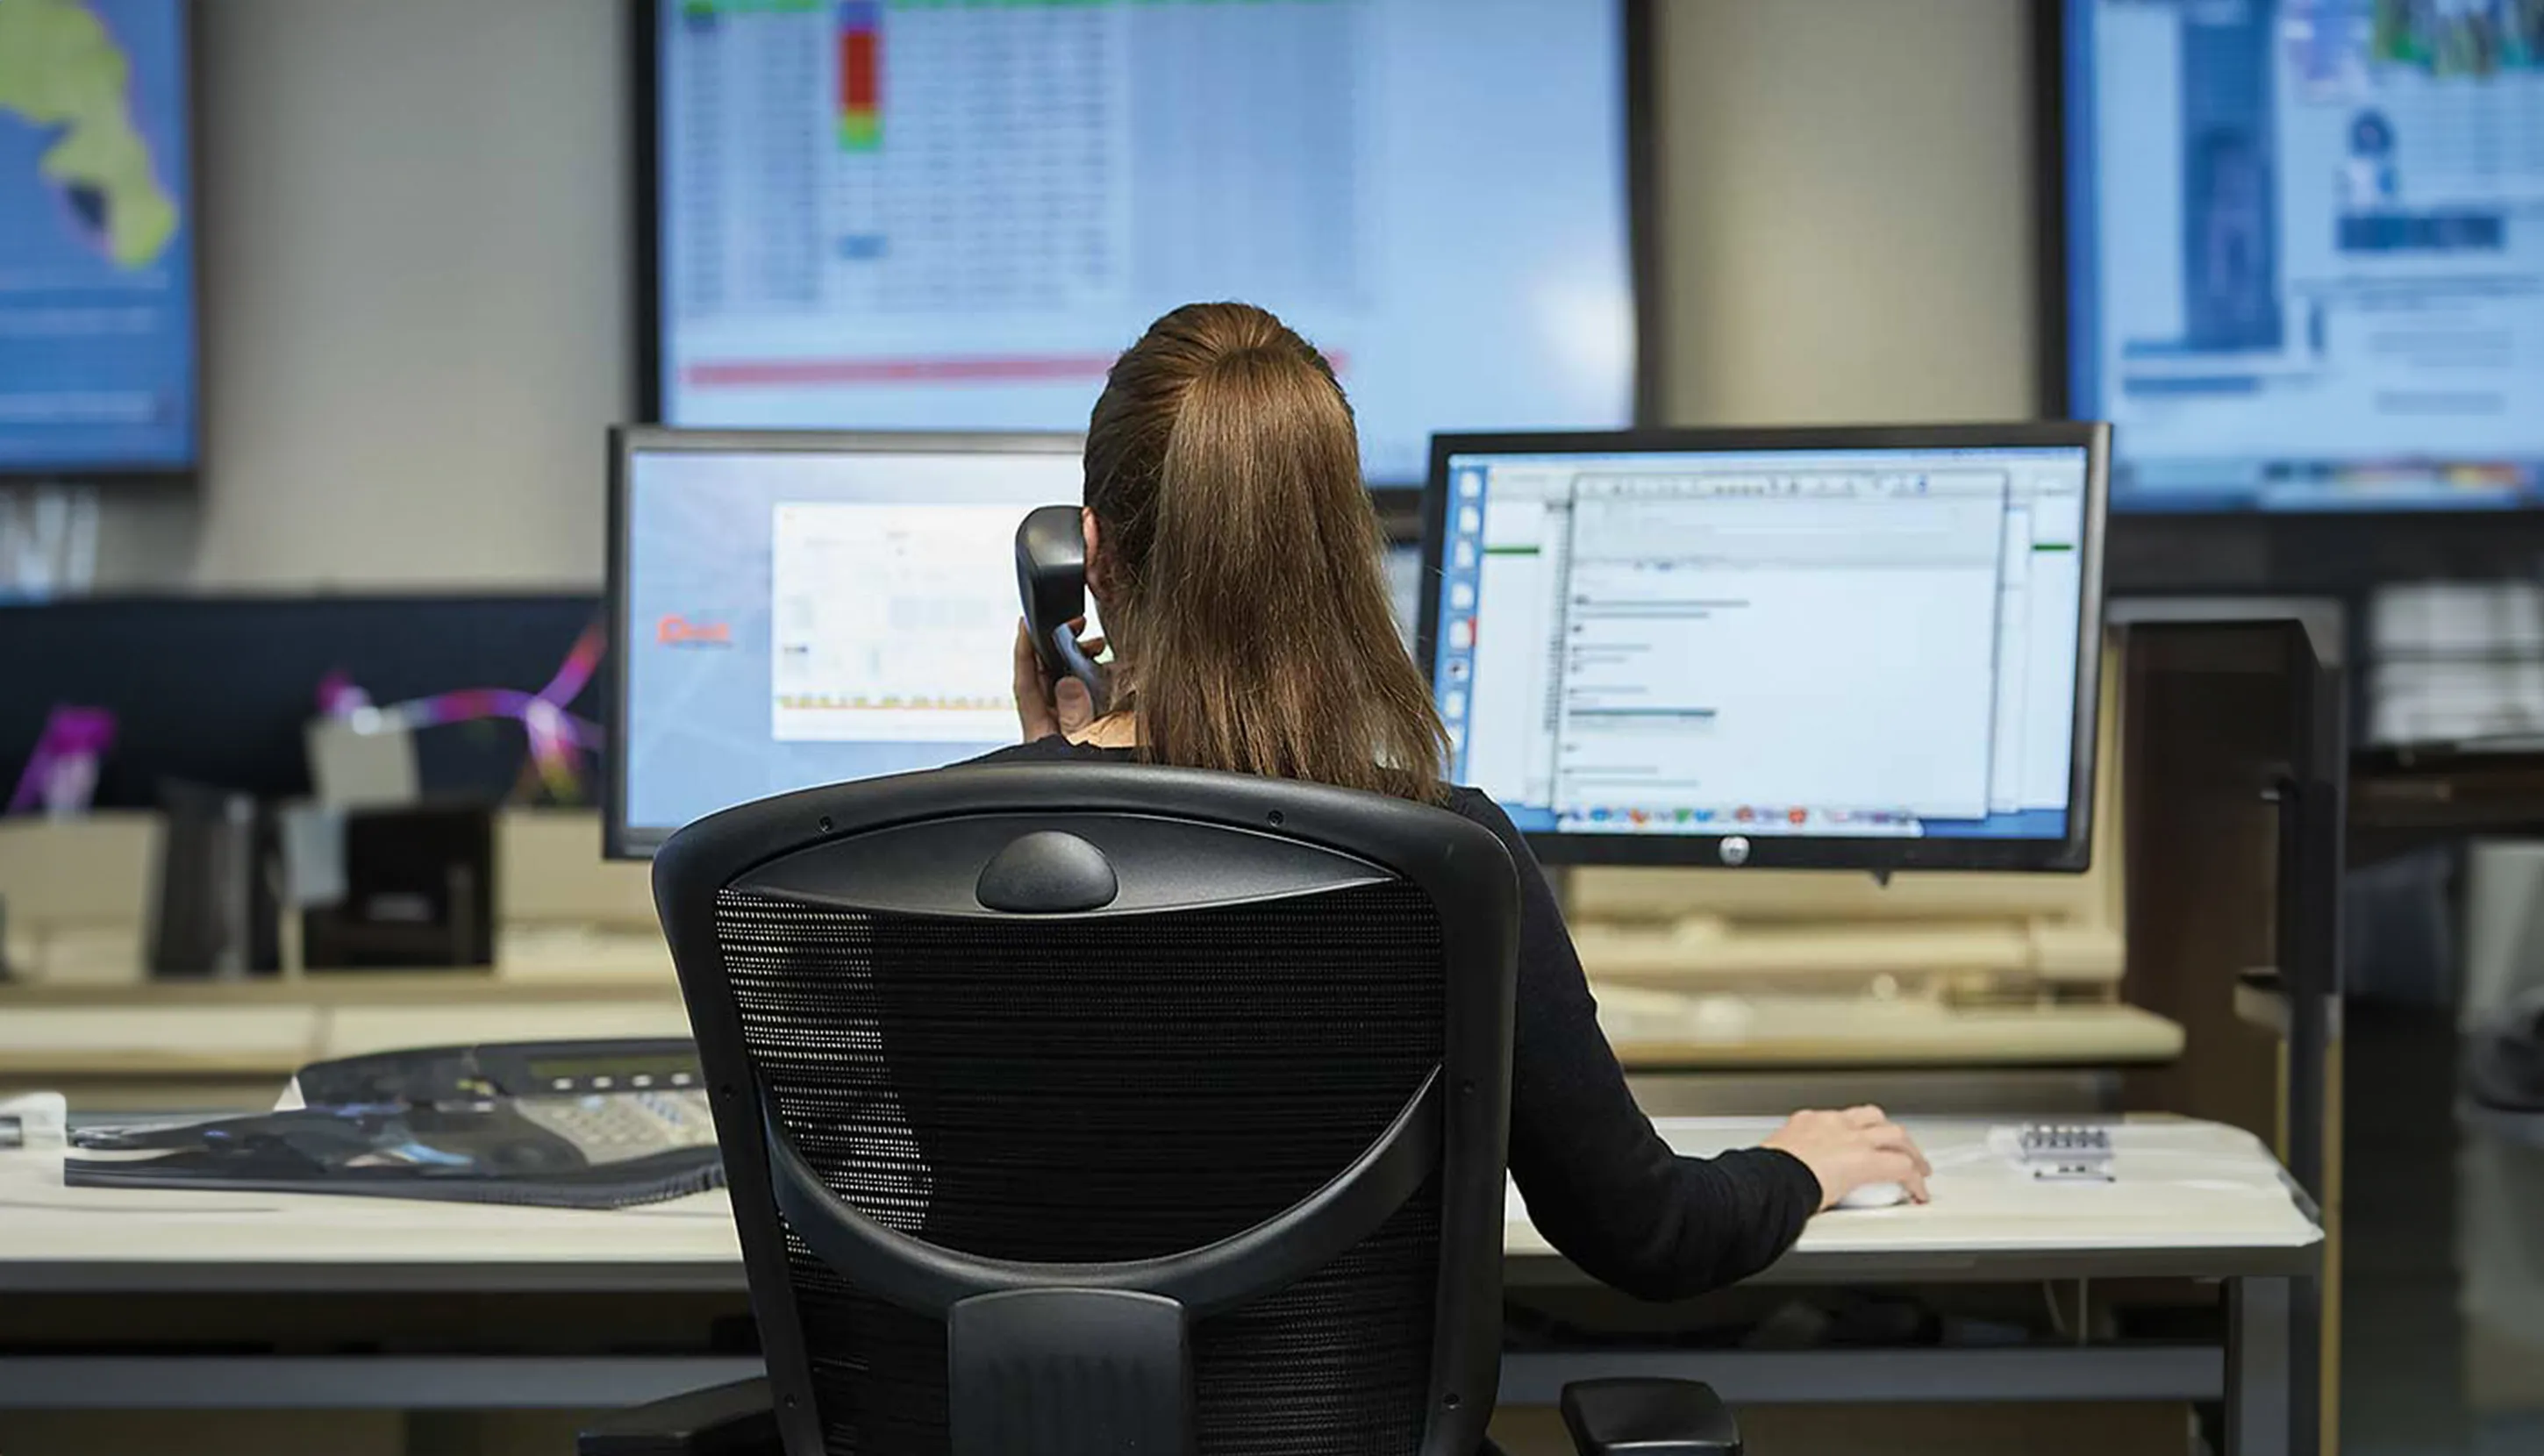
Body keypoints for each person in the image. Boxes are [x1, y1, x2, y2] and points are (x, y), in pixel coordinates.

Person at [983, 301, 1929, 1300]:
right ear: (1341, 554)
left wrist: (1045, 792)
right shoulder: (1445, 858)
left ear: (1085, 557)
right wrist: (1797, 1165)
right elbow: (1644, 1230)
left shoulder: (910, 865)